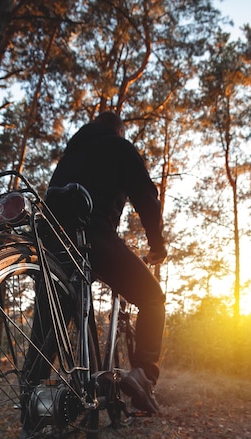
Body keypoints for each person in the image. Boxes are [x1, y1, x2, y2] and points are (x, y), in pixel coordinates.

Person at [49, 111, 166, 414]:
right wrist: (157, 245)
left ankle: (30, 407)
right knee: (153, 298)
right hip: (92, 234)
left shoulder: (70, 155)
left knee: (49, 324)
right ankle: (144, 375)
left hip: (52, 242)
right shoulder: (118, 146)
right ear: (118, 130)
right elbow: (147, 198)